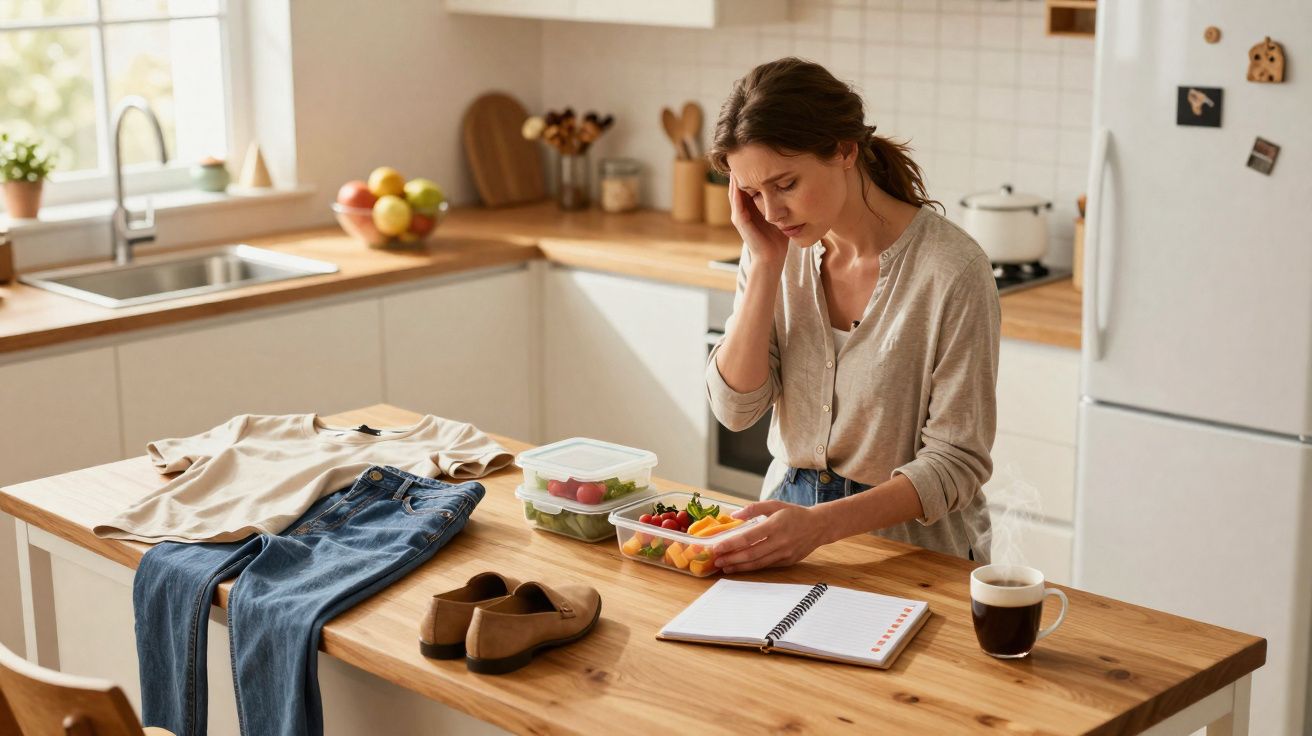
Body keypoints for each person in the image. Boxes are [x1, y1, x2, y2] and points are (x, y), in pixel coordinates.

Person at [705, 58, 1000, 573]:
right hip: (784, 531)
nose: (771, 212)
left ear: (844, 149)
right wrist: (767, 265)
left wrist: (821, 524)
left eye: (786, 184)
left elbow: (957, 461)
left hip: (912, 550)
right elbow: (735, 409)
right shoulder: (773, 245)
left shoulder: (952, 270)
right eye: (753, 193)